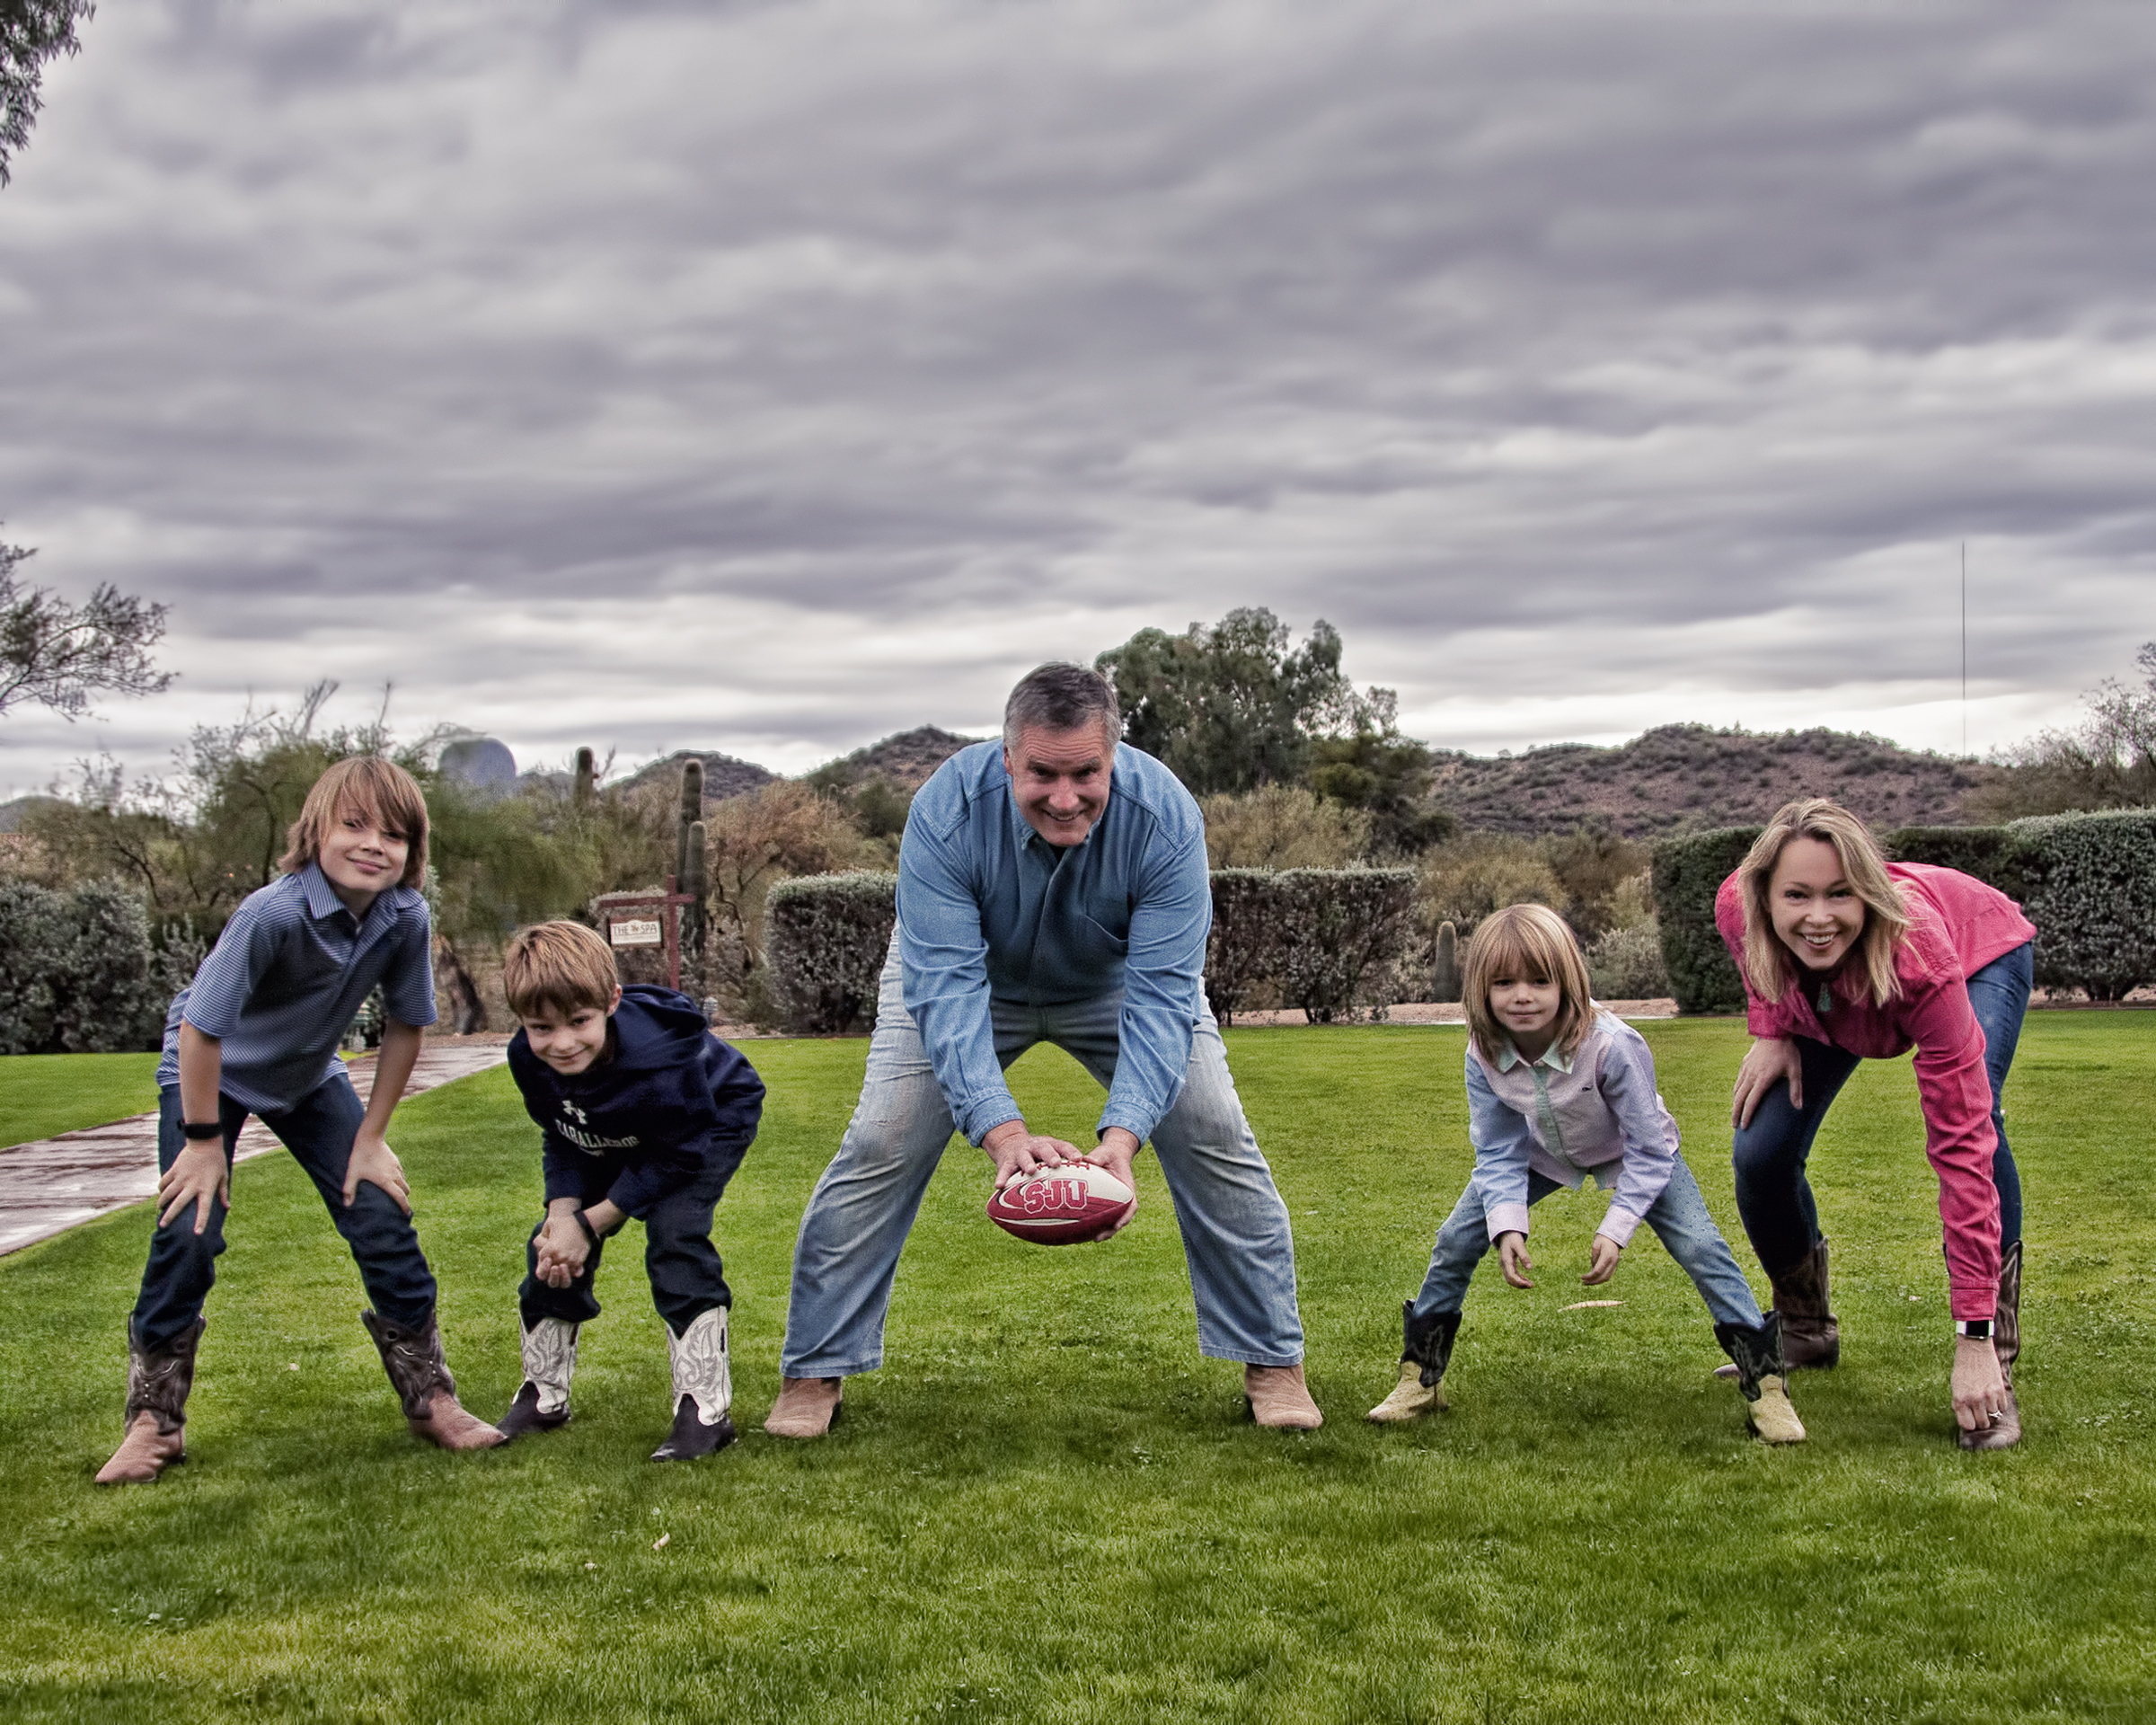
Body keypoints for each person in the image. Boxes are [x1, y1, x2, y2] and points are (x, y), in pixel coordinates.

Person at [765, 662, 1321, 1437]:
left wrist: (1121, 1139)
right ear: (1007, 760)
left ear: (1114, 758)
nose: (1066, 798)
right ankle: (814, 1371)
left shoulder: (1166, 820)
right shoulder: (945, 814)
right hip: (965, 982)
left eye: (1086, 773)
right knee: (879, 1141)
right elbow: (947, 988)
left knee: (1216, 1133)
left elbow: (1164, 998)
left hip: (1117, 981)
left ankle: (1273, 1360)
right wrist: (1004, 1132)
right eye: (1043, 774)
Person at [97, 757, 501, 1485]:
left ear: (414, 851)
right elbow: (200, 1031)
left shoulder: (404, 915)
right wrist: (201, 1143)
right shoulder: (271, 914)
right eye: (355, 825)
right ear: (317, 829)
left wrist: (372, 1139)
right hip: (209, 1076)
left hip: (309, 1079)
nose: (375, 844)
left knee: (381, 1213)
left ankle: (430, 1398)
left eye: (395, 834)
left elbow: (407, 1027)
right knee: (191, 1230)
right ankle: (154, 1422)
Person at [1367, 905, 1805, 1442]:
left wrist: (1616, 1228)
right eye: (1503, 983)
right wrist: (1506, 1225)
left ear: (1568, 982)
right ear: (1480, 989)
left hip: (1636, 1156)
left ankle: (1767, 1387)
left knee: (1700, 1246)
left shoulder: (1613, 1046)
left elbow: (1647, 1148)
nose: (1521, 996)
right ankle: (1421, 1378)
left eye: (1539, 981)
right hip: (1541, 1154)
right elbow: (1499, 1149)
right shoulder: (1483, 1050)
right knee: (1457, 1239)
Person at [1719, 797, 2037, 1450]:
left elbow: (1961, 1147)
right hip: (1834, 993)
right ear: (1765, 898)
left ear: (1867, 892)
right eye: (1797, 895)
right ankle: (1806, 1327)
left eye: (1840, 893)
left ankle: (1991, 1361)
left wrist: (1969, 1336)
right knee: (1761, 1152)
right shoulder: (1736, 904)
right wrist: (1772, 1027)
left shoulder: (1923, 958)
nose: (1817, 916)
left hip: (1977, 956)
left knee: (1982, 1123)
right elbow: (1757, 957)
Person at [494, 921, 764, 1461]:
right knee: (547, 1240)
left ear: (611, 1001)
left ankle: (704, 1410)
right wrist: (563, 1216)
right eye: (541, 1027)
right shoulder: (528, 1058)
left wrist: (593, 1223)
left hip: (706, 1123)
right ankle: (543, 1396)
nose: (562, 1043)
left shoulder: (663, 1063)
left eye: (579, 1022)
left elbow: (676, 1154)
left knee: (675, 1233)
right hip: (622, 1123)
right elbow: (565, 1133)